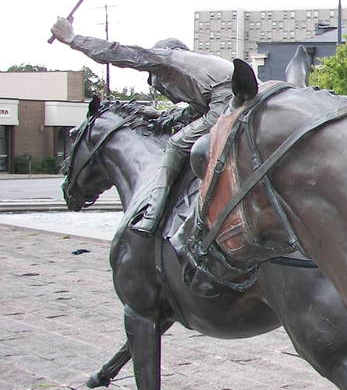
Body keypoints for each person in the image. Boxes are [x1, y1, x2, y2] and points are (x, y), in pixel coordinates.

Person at [50, 16, 234, 236]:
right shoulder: (200, 70)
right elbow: (192, 112)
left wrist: (72, 38)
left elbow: (119, 52)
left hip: (229, 101)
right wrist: (158, 115)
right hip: (240, 98)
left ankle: (152, 215)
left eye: (152, 75)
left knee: (175, 146)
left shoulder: (168, 58)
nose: (154, 82)